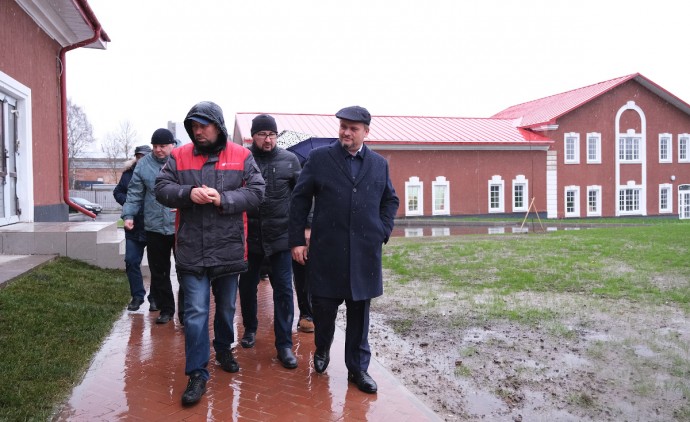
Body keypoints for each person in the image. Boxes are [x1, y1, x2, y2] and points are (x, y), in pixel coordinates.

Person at [155, 101, 264, 406]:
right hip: (191, 251)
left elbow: (257, 192)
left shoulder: (242, 155)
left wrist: (223, 198)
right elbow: (161, 188)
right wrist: (187, 194)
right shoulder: (178, 156)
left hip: (229, 248)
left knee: (227, 309)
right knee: (195, 314)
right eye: (193, 126)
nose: (198, 131)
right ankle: (197, 373)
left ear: (218, 125)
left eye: (204, 125)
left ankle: (224, 349)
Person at [289, 106, 399, 394]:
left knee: (359, 316)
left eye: (353, 128)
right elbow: (299, 200)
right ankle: (322, 348)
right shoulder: (319, 159)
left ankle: (358, 369)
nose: (346, 132)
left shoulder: (379, 164)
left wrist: (382, 231)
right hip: (327, 253)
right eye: (343, 126)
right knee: (323, 313)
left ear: (366, 131)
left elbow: (390, 200)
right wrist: (297, 240)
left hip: (364, 255)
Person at [238, 114, 301, 369]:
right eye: (263, 134)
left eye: (272, 134)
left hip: (280, 239)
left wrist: (304, 229)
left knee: (284, 291)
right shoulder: (243, 159)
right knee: (247, 287)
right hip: (250, 238)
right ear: (253, 136)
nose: (268, 139)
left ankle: (284, 344)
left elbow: (302, 197)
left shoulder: (289, 160)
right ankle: (250, 329)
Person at [122, 129, 180, 324]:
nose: (158, 150)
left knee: (185, 270)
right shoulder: (144, 165)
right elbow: (135, 192)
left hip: (181, 225)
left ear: (172, 145)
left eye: (162, 146)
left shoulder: (182, 160)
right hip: (154, 225)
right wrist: (129, 214)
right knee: (159, 270)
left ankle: (187, 311)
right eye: (155, 146)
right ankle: (166, 309)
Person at [113, 144, 152, 311]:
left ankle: (156, 298)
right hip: (133, 225)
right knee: (131, 261)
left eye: (144, 156)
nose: (140, 158)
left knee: (157, 265)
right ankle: (137, 296)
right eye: (138, 155)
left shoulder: (158, 172)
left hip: (153, 225)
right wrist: (128, 203)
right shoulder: (128, 174)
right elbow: (118, 192)